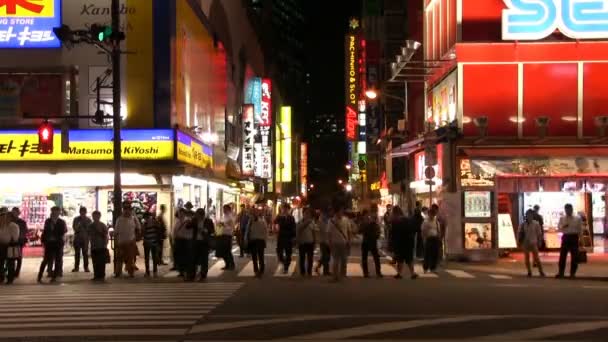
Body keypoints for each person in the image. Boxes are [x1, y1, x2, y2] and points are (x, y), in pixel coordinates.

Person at [37, 206, 67, 283]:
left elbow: (62, 231)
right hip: (49, 243)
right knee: (46, 260)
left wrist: (54, 234)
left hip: (58, 243)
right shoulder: (48, 221)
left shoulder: (61, 222)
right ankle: (39, 275)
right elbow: (45, 231)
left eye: (57, 212)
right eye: (53, 211)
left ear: (59, 213)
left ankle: (54, 277)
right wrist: (43, 241)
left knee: (58, 260)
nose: (55, 213)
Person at [114, 203, 141, 278]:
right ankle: (118, 273)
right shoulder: (119, 219)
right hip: (121, 242)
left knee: (130, 259)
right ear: (123, 210)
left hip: (131, 242)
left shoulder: (133, 219)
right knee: (119, 258)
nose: (126, 211)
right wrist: (116, 241)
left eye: (128, 209)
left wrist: (136, 238)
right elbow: (116, 231)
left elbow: (138, 228)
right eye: (125, 209)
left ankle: (131, 273)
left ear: (130, 210)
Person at [391, 206, 418, 280]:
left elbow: (394, 234)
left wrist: (393, 245)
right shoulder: (408, 219)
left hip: (400, 242)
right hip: (409, 242)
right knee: (409, 259)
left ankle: (399, 273)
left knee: (400, 259)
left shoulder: (395, 221)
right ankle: (412, 273)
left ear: (395, 213)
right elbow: (413, 230)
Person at [556, 203, 583, 279]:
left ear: (572, 209)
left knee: (574, 257)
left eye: (569, 209)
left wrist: (581, 240)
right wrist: (563, 226)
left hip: (574, 237)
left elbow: (580, 229)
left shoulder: (577, 218)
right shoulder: (562, 218)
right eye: (567, 209)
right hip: (565, 237)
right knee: (562, 256)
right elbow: (559, 228)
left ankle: (572, 274)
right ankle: (561, 273)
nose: (568, 211)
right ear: (565, 210)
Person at [518, 209, 545, 277]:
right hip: (525, 242)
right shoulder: (523, 224)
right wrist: (519, 242)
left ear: (532, 216)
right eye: (528, 215)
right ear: (526, 216)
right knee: (526, 257)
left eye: (530, 215)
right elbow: (519, 233)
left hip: (533, 242)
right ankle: (529, 271)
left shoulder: (536, 223)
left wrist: (540, 241)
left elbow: (539, 233)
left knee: (536, 258)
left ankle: (541, 271)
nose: (529, 216)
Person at [189, 208, 215, 281]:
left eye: (198, 215)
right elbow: (188, 226)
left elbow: (212, 230)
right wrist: (190, 220)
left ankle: (203, 275)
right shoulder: (194, 220)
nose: (197, 216)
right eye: (196, 215)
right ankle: (192, 275)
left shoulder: (208, 221)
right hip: (195, 241)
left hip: (204, 242)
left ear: (202, 215)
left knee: (204, 259)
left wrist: (205, 231)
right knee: (193, 258)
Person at [328, 202, 351, 282]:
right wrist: (330, 243)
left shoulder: (346, 220)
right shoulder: (331, 221)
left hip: (344, 242)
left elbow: (349, 231)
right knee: (336, 260)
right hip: (335, 243)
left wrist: (349, 241)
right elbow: (329, 233)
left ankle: (342, 275)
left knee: (344, 260)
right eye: (340, 211)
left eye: (342, 211)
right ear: (336, 212)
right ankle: (335, 276)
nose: (341, 212)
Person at [360, 207, 382, 278]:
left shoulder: (368, 221)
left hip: (369, 241)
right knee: (368, 257)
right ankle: (368, 273)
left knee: (374, 257)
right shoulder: (366, 222)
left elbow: (377, 229)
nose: (368, 215)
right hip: (368, 241)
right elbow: (361, 230)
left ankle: (376, 272)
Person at [0, 208, 20, 284]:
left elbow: (15, 238)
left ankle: (10, 278)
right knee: (1, 263)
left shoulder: (13, 226)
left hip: (10, 246)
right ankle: (1, 277)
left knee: (10, 263)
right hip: (1, 246)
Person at [275, 204, 296, 274]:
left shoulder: (291, 218)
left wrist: (294, 237)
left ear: (288, 210)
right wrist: (275, 228)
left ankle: (286, 267)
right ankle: (283, 262)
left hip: (288, 238)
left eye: (286, 209)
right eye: (283, 209)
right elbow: (274, 223)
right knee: (279, 253)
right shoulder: (279, 217)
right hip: (280, 237)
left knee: (288, 254)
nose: (284, 210)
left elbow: (294, 228)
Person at [89, 211, 109, 281]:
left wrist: (105, 244)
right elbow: (88, 235)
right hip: (94, 246)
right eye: (94, 216)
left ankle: (102, 275)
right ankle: (96, 275)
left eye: (97, 216)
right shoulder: (90, 226)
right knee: (95, 262)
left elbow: (106, 235)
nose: (95, 217)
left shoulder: (103, 225)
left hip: (101, 246)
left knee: (101, 262)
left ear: (99, 216)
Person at [248, 208, 268, 278]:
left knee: (260, 256)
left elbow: (265, 232)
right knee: (255, 257)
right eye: (252, 214)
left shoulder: (262, 221)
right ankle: (256, 271)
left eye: (254, 213)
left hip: (259, 241)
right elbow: (248, 232)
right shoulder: (250, 222)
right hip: (254, 241)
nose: (252, 215)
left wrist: (265, 240)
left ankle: (260, 270)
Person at [296, 207, 316, 277]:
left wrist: (315, 242)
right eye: (306, 213)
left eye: (308, 213)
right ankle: (302, 272)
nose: (307, 215)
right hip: (302, 243)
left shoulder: (312, 223)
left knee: (310, 258)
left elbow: (314, 233)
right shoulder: (299, 222)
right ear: (303, 214)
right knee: (302, 258)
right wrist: (298, 242)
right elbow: (298, 230)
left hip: (310, 242)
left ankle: (309, 271)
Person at [72, 207, 92, 273]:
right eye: (81, 212)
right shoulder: (76, 219)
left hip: (85, 239)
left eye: (84, 212)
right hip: (77, 238)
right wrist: (78, 226)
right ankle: (76, 267)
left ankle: (86, 267)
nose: (82, 213)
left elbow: (89, 230)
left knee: (85, 254)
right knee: (77, 254)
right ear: (80, 212)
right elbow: (75, 228)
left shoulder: (88, 220)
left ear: (85, 212)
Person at [421, 206, 441, 273]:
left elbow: (438, 230)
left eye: (434, 214)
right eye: (431, 214)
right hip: (428, 238)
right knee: (427, 254)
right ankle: (425, 268)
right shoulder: (426, 222)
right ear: (429, 214)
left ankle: (433, 268)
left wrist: (439, 237)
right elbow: (423, 231)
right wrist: (424, 239)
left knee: (435, 254)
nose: (432, 215)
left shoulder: (436, 222)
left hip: (435, 239)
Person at [142, 212, 161, 277]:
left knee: (148, 258)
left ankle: (148, 272)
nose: (146, 219)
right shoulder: (153, 222)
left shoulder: (147, 223)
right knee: (153, 257)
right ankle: (153, 272)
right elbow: (158, 231)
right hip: (152, 242)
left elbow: (143, 233)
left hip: (149, 242)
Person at [10, 207, 27, 278]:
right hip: (11, 241)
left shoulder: (22, 222)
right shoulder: (10, 221)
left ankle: (17, 272)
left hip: (19, 241)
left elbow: (24, 232)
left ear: (18, 213)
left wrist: (20, 239)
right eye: (13, 212)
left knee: (19, 257)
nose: (14, 214)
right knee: (11, 257)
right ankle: (12, 271)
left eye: (15, 212)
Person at [314, 209, 331, 276]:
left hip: (328, 241)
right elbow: (321, 232)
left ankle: (318, 267)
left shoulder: (328, 221)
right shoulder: (320, 222)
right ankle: (325, 271)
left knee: (326, 256)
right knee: (326, 256)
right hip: (323, 241)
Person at [218, 204, 236, 270]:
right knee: (223, 251)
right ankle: (227, 264)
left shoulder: (230, 217)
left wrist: (224, 224)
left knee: (227, 250)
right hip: (222, 234)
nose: (223, 210)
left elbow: (232, 227)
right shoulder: (223, 216)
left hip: (228, 235)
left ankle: (231, 264)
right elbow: (221, 224)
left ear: (228, 209)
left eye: (225, 209)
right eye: (223, 209)